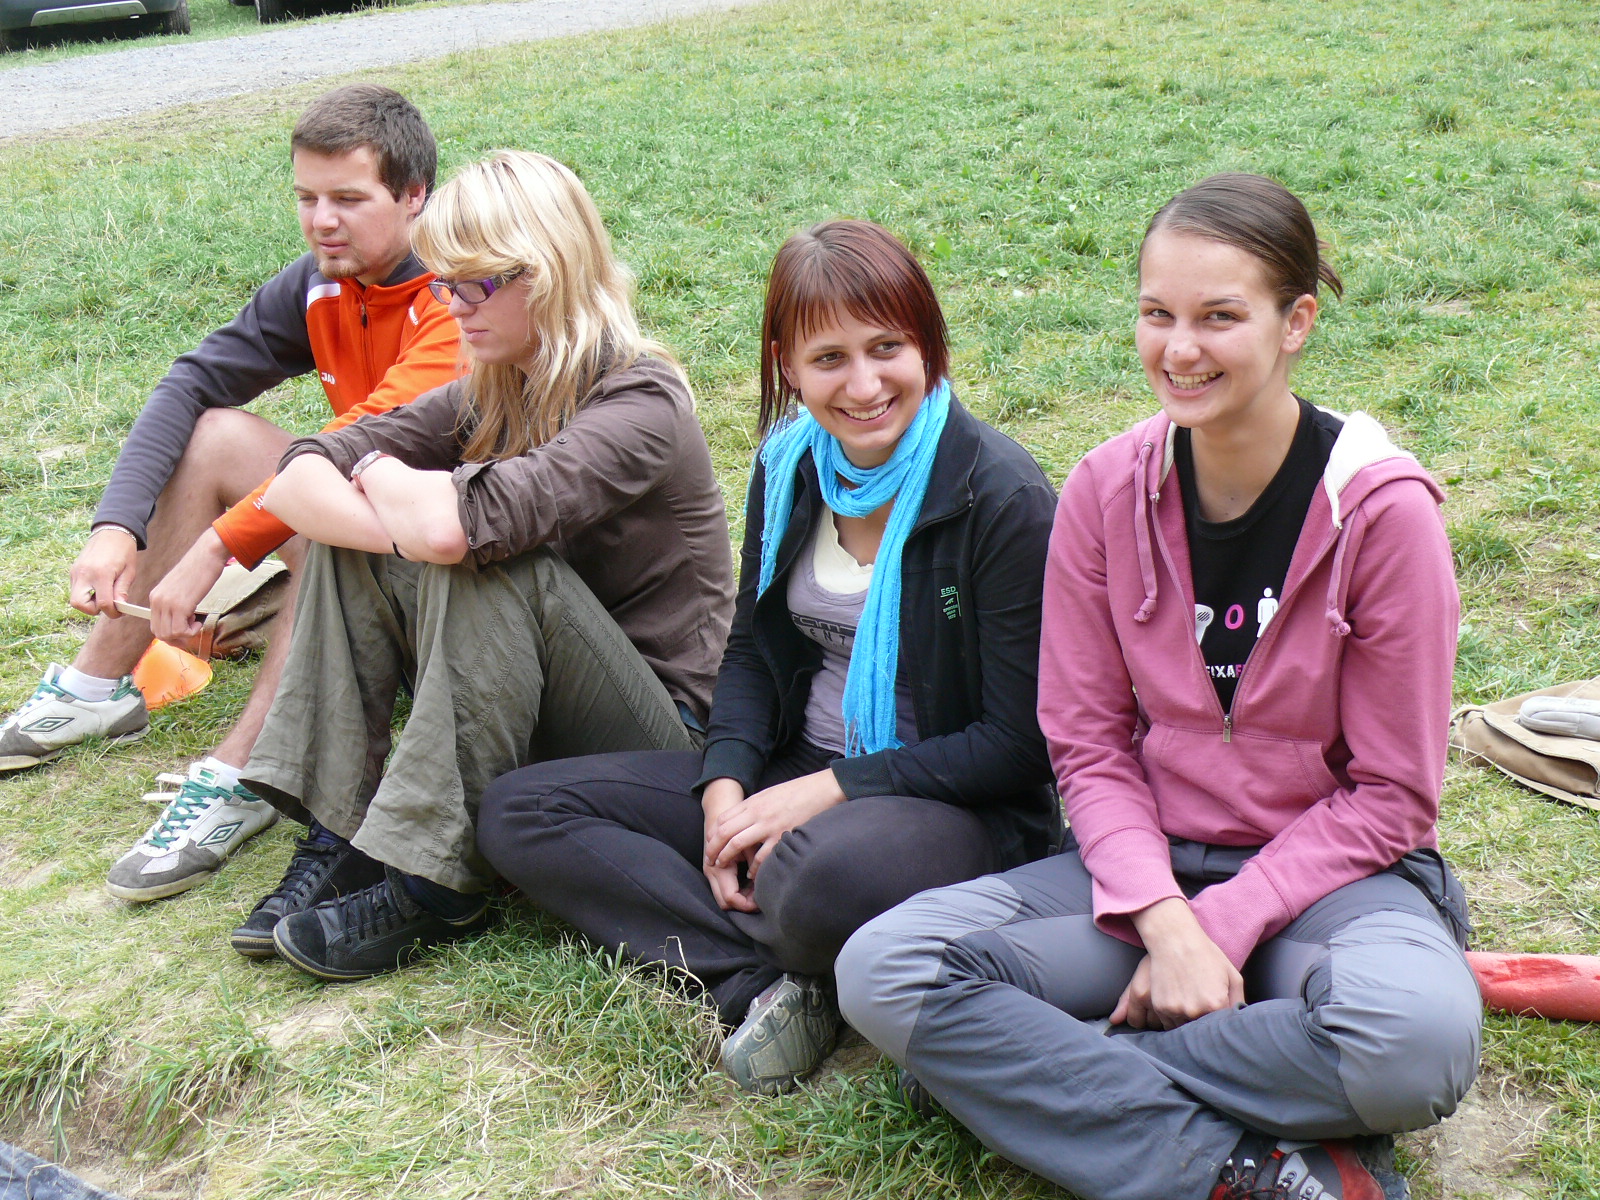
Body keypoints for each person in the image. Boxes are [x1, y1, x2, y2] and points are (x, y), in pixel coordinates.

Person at [837, 175, 1481, 1200]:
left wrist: (1224, 925)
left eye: (1219, 317)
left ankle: (1045, 1070)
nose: (1180, 350)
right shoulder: (1103, 492)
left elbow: (1392, 796)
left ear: (1295, 323)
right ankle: (1241, 1171)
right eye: (1156, 314)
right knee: (884, 968)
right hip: (1137, 880)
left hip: (1331, 891)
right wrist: (1167, 919)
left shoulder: (1383, 516)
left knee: (1418, 1041)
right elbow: (1086, 747)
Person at [476, 219, 1060, 1095]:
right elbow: (750, 651)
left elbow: (1020, 744)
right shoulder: (789, 467)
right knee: (522, 810)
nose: (864, 385)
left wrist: (829, 792)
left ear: (927, 344)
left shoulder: (1000, 496)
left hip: (952, 802)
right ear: (787, 364)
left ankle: (788, 929)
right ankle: (767, 979)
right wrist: (725, 789)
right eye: (830, 359)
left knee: (810, 876)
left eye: (887, 348)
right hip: (798, 764)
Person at [232, 149, 734, 982]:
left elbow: (455, 531)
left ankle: (437, 882)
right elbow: (295, 480)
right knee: (360, 545)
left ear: (551, 272)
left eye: (477, 284)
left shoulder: (642, 402)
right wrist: (394, 513)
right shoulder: (500, 385)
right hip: (536, 699)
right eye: (444, 283)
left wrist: (382, 477)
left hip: (666, 739)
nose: (454, 306)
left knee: (493, 562)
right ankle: (343, 828)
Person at [0, 85, 461, 906]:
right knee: (215, 432)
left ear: (415, 195)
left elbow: (354, 449)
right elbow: (192, 382)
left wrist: (218, 548)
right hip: (360, 505)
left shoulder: (456, 296)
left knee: (328, 513)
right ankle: (97, 688)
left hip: (450, 570)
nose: (322, 221)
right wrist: (116, 528)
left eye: (349, 199)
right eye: (307, 198)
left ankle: (248, 773)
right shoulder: (321, 282)